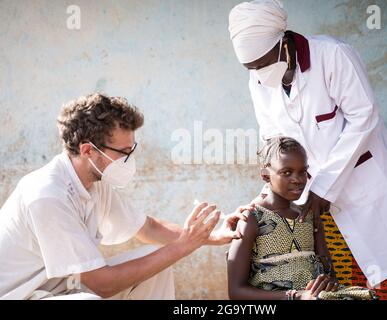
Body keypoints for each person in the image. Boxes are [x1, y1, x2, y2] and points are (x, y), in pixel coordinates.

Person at [228, 0, 387, 299]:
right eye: (251, 68)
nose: (259, 73)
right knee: (337, 283)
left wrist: (324, 185)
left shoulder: (332, 55)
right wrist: (259, 202)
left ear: (283, 42)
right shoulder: (257, 81)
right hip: (314, 204)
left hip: (368, 193)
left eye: (263, 62)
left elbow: (365, 117)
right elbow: (273, 146)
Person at [0, 93, 248, 300]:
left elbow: (147, 227)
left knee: (152, 264)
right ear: (88, 150)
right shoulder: (48, 196)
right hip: (25, 296)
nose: (129, 160)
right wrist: (183, 247)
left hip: (62, 290)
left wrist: (212, 236)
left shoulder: (94, 181)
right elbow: (102, 284)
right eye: (124, 152)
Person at [227, 136, 377, 300]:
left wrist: (328, 283)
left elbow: (329, 273)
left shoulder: (309, 216)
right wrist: (296, 297)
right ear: (265, 174)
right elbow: (236, 292)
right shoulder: (251, 217)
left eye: (303, 171)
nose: (298, 180)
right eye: (287, 172)